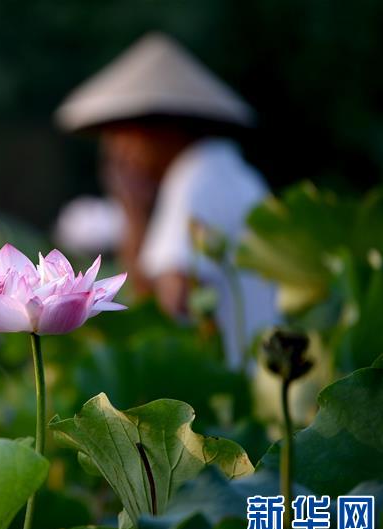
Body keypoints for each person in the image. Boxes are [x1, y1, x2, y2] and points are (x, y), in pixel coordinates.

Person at [55, 32, 276, 368]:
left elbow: (167, 313)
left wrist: (132, 213)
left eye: (121, 134)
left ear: (160, 128)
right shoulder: (230, 170)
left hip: (229, 380)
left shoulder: (197, 179)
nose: (116, 154)